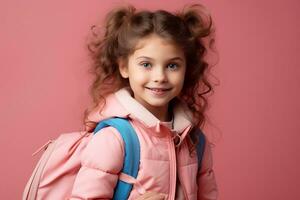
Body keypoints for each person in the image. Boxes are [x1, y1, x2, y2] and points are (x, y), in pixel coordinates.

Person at [70, 3, 218, 200]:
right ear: (124, 67)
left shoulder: (194, 141)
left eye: (172, 65)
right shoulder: (114, 138)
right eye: (146, 64)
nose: (160, 76)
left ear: (186, 69)